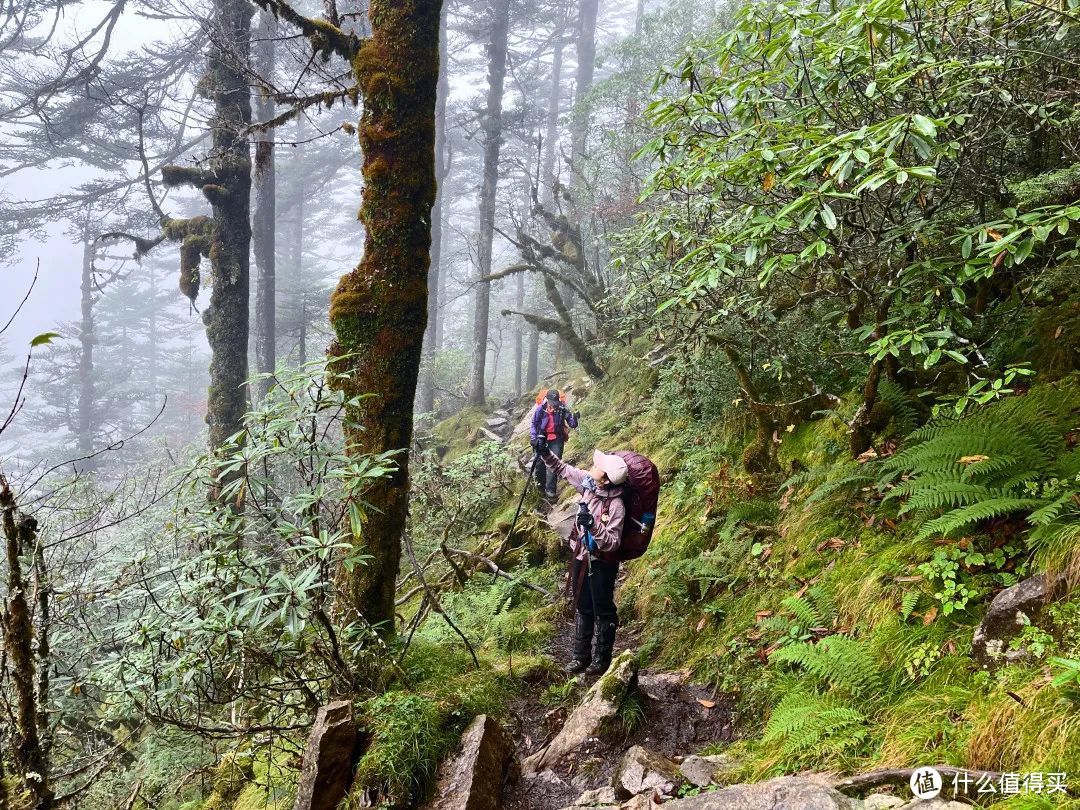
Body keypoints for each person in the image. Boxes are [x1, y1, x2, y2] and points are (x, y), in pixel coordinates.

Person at [536, 445, 627, 676]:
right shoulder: (588, 483)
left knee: (603, 608)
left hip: (602, 563)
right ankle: (580, 656)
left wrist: (593, 526)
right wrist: (545, 452)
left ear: (606, 480)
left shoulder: (616, 506)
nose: (594, 467)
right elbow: (563, 469)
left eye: (599, 467)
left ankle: (602, 660)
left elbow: (612, 542)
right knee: (584, 605)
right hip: (581, 556)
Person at [529, 389, 579, 498]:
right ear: (547, 399)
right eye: (552, 402)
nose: (554, 405)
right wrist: (533, 438)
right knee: (539, 463)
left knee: (554, 464)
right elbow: (534, 424)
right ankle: (540, 487)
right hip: (542, 437)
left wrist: (575, 419)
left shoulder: (562, 408)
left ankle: (550, 491)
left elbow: (572, 423)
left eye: (556, 402)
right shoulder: (540, 409)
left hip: (557, 438)